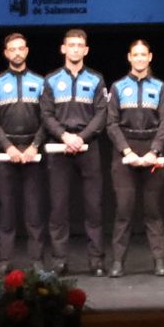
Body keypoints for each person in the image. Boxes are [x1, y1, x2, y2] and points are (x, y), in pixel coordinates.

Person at [40, 29, 108, 275]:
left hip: (88, 147)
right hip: (59, 148)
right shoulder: (51, 79)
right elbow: (46, 114)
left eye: (80, 45)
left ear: (86, 50)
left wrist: (81, 137)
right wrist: (64, 136)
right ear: (63, 49)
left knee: (94, 207)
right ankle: (59, 260)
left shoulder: (96, 79)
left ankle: (97, 260)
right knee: (58, 207)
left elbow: (102, 114)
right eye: (72, 45)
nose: (76, 49)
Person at [106, 39, 164, 277]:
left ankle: (159, 260)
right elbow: (111, 123)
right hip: (126, 150)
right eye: (136, 54)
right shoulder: (118, 87)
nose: (140, 58)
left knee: (152, 209)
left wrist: (154, 151)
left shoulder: (160, 87)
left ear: (150, 57)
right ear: (129, 57)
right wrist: (127, 151)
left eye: (144, 54)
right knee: (124, 209)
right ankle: (117, 262)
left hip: (152, 147)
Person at [0, 32, 49, 274]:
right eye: (12, 49)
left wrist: (34, 146)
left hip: (33, 151)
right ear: (5, 53)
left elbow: (47, 118)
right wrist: (8, 147)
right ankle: (4, 260)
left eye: (21, 48)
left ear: (27, 50)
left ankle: (37, 261)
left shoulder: (40, 82)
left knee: (34, 210)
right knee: (6, 210)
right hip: (7, 152)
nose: (17, 53)